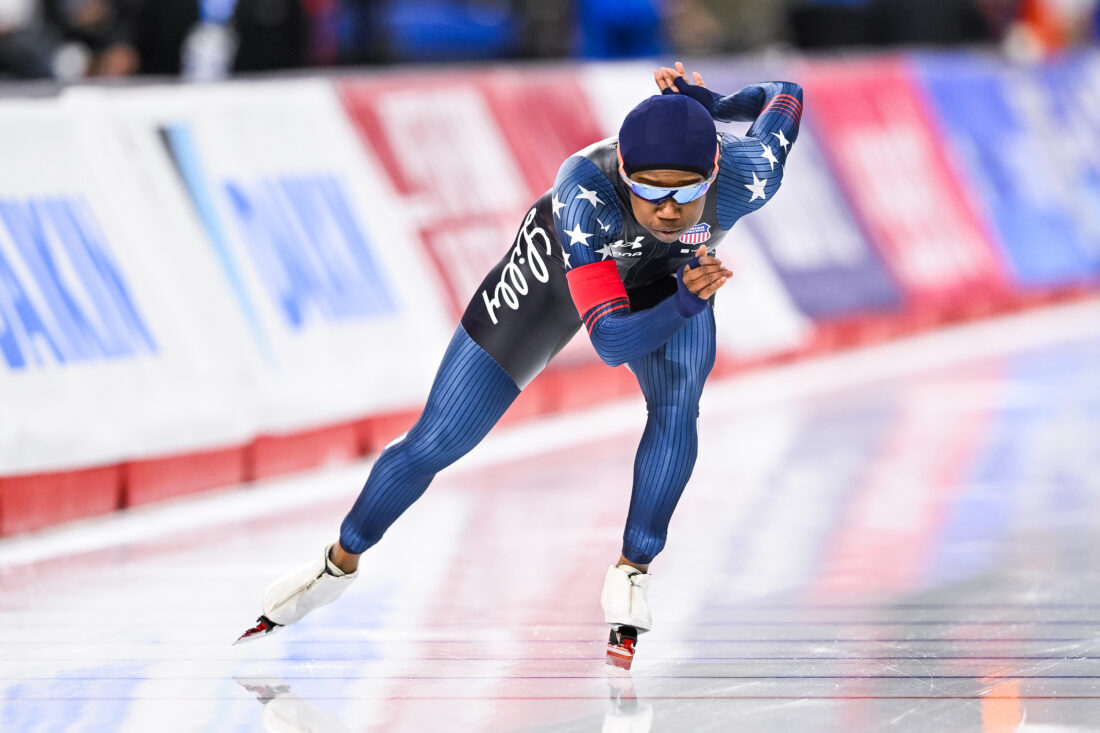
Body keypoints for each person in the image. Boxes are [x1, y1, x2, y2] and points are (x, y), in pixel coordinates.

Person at [236, 62, 803, 669]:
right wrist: (690, 301)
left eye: (687, 193)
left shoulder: (751, 173)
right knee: (438, 440)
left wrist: (713, 101)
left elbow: (784, 94)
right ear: (626, 178)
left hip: (665, 280)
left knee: (678, 401)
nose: (668, 211)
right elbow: (610, 344)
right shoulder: (585, 192)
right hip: (555, 280)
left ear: (716, 170)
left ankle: (633, 570)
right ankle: (336, 563)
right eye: (652, 190)